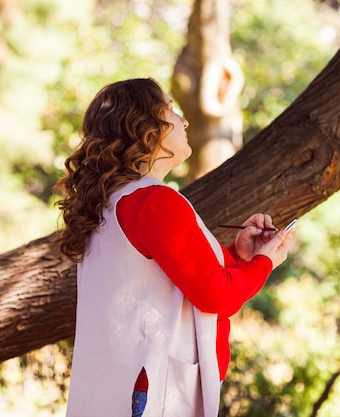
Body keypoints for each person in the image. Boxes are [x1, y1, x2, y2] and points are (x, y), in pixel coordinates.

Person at [52, 78, 294, 417]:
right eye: (171, 110)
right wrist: (265, 262)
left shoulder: (108, 202)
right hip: (152, 394)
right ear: (146, 126)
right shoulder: (155, 201)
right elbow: (216, 297)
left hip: (119, 388)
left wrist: (241, 257)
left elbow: (183, 282)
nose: (184, 120)